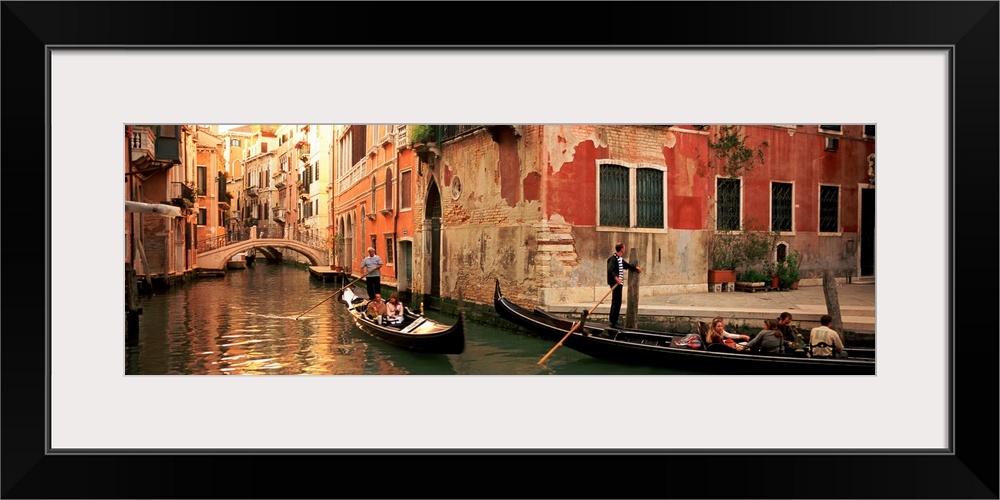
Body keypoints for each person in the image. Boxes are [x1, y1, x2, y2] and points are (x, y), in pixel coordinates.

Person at [605, 242, 641, 329]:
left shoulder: (619, 259)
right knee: (616, 302)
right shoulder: (613, 259)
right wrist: (616, 278)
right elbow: (610, 270)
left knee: (617, 301)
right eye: (624, 248)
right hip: (615, 283)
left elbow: (627, 265)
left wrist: (636, 268)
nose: (625, 249)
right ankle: (613, 322)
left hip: (619, 283)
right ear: (621, 249)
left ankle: (613, 321)